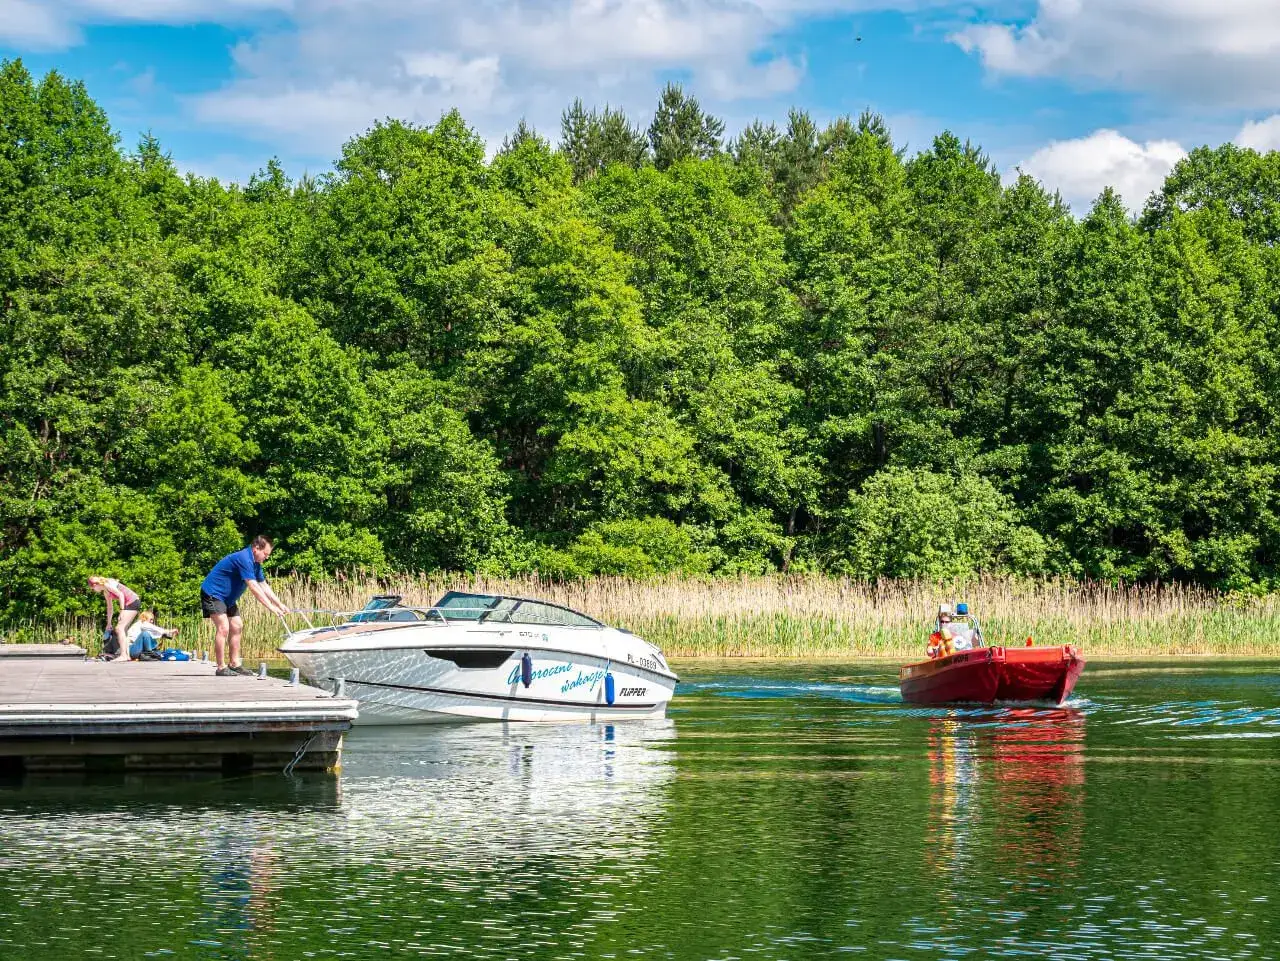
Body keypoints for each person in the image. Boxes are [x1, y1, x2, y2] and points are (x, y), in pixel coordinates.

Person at [200, 536, 289, 677]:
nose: (266, 557)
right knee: (223, 627)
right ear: (256, 549)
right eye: (265, 554)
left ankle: (234, 664)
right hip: (213, 593)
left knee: (237, 625)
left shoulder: (256, 563)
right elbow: (253, 587)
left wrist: (279, 604)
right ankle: (221, 667)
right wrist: (271, 608)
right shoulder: (244, 559)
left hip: (227, 598)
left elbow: (263, 585)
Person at [87, 575, 143, 662]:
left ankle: (123, 655)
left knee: (119, 628)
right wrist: (108, 623)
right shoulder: (106, 591)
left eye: (92, 589)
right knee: (123, 630)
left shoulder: (107, 585)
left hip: (132, 601)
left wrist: (122, 611)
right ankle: (127, 656)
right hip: (130, 603)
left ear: (95, 585)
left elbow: (121, 595)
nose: (93, 591)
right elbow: (110, 607)